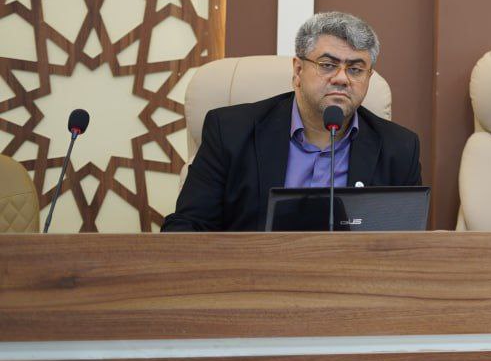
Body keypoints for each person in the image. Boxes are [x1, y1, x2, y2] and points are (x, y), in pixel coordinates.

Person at [162, 12, 422, 231]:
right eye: (328, 65)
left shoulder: (399, 149)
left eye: (355, 69)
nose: (342, 79)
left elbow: (407, 246)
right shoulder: (230, 132)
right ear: (298, 70)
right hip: (253, 273)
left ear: (368, 77)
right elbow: (187, 228)